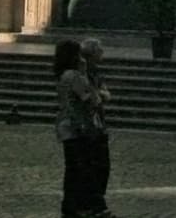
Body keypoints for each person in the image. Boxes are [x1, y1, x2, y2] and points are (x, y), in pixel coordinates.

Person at [53, 39, 102, 218]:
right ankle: (76, 206)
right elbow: (91, 99)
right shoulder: (74, 76)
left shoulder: (62, 75)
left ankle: (70, 206)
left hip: (65, 126)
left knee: (72, 168)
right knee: (78, 168)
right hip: (77, 127)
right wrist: (85, 75)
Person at [80, 38, 114, 218]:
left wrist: (100, 94)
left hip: (98, 125)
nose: (103, 53)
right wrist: (100, 94)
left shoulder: (95, 72)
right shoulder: (82, 73)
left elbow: (104, 94)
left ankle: (95, 204)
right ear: (92, 54)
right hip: (88, 127)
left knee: (102, 167)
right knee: (95, 167)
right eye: (100, 50)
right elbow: (94, 96)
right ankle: (95, 206)